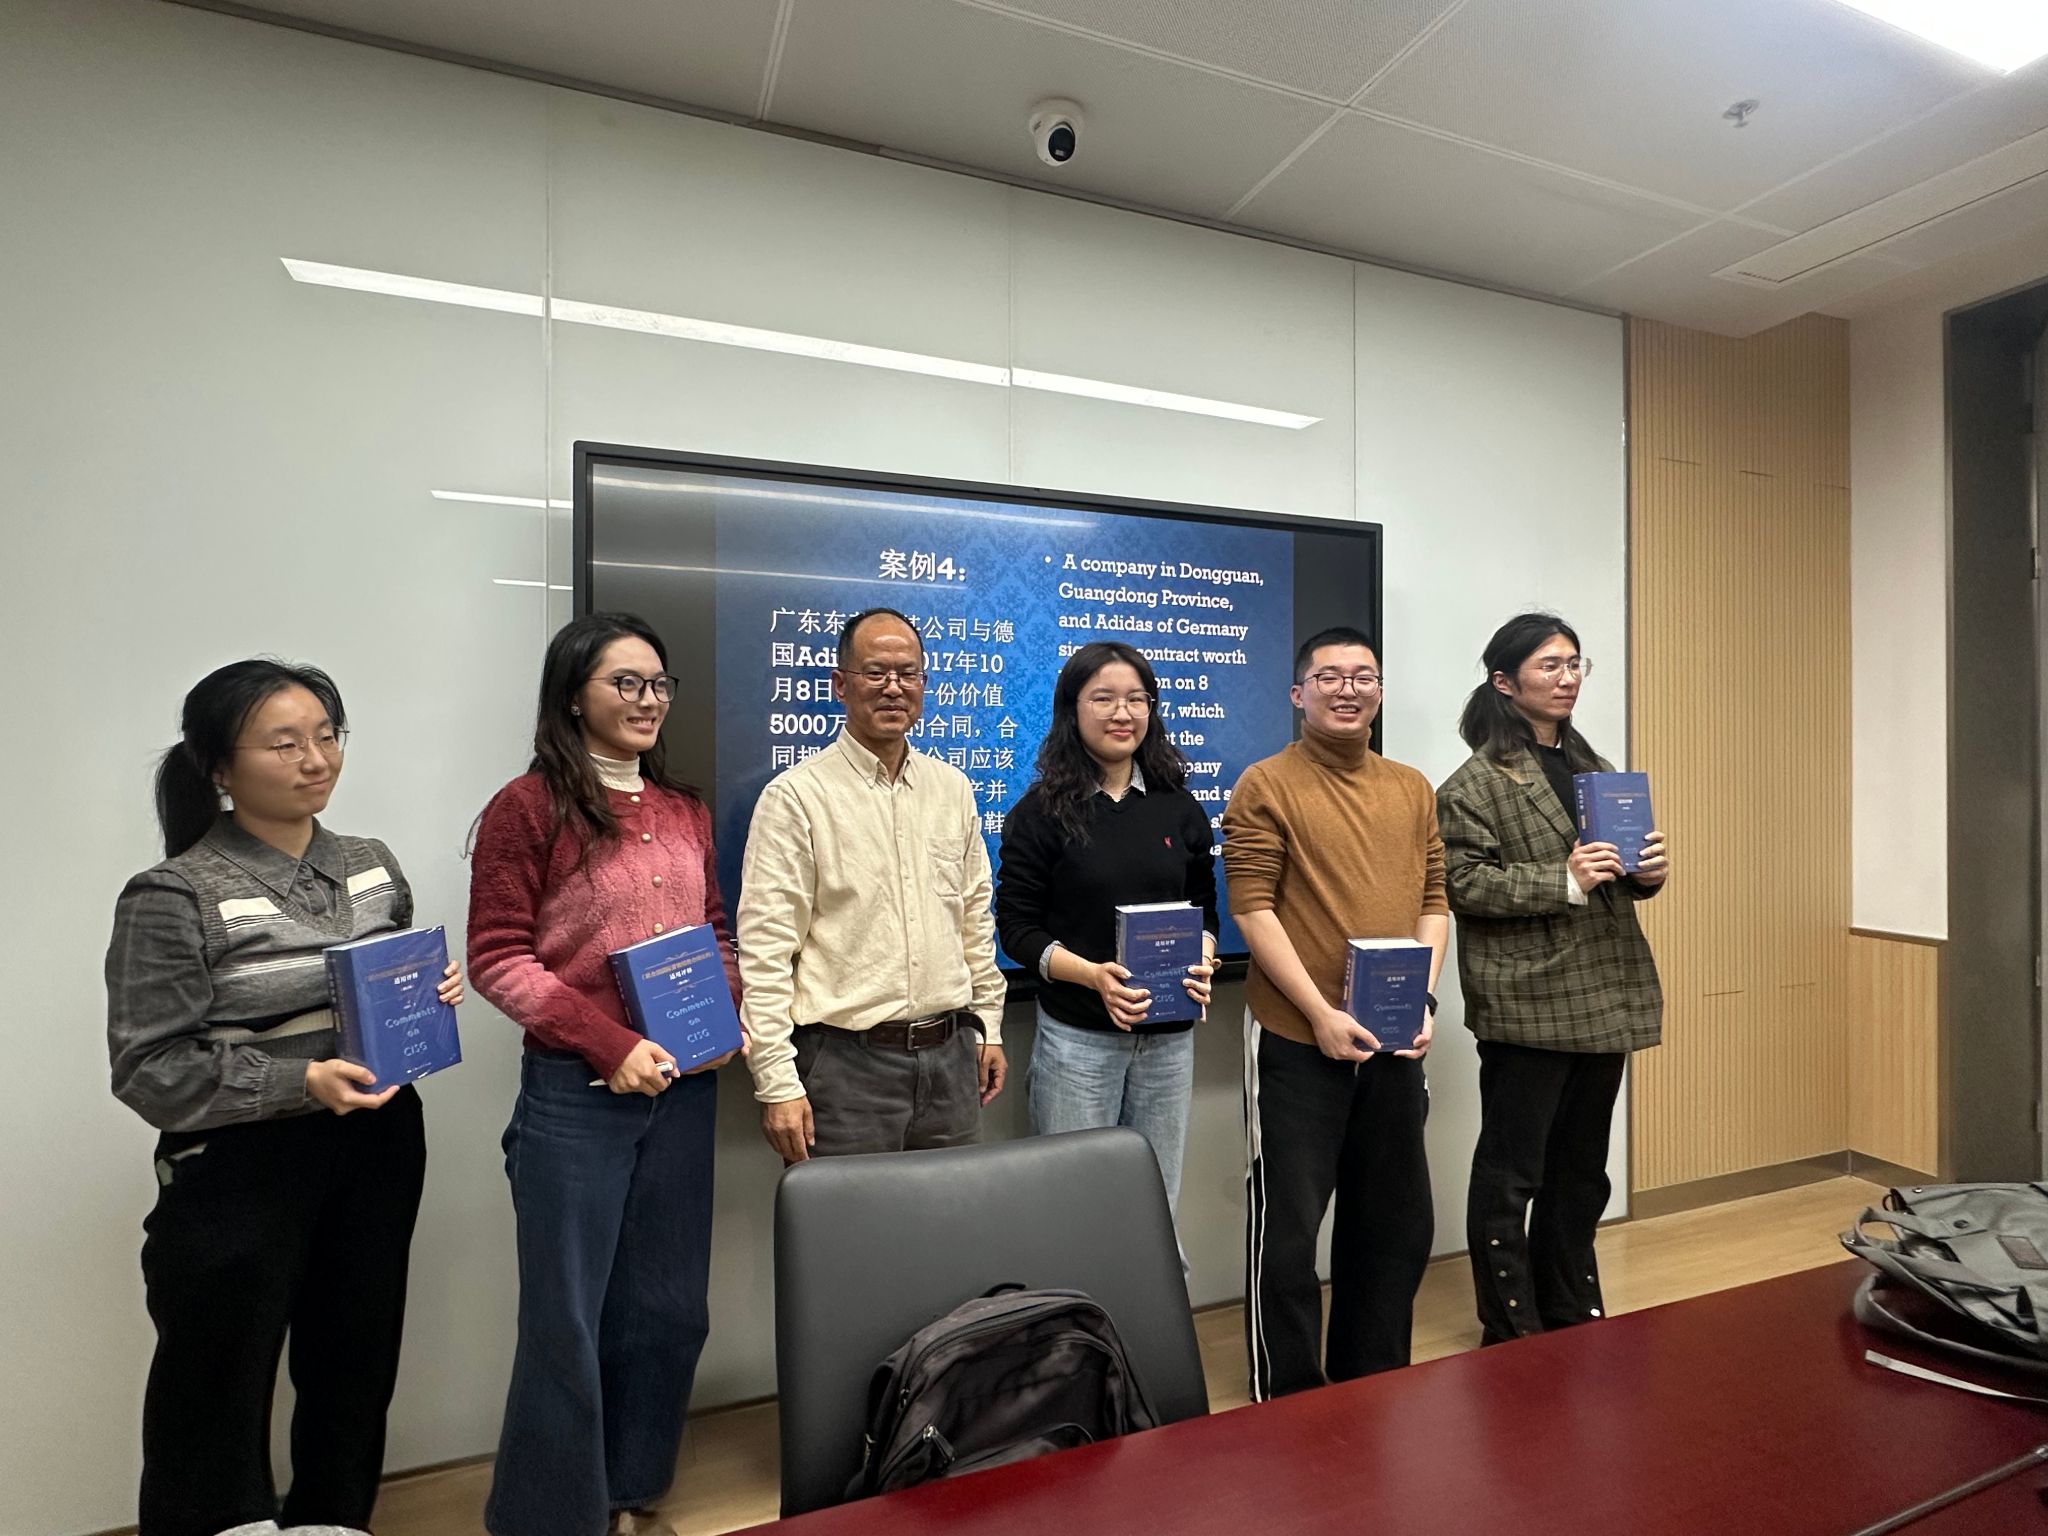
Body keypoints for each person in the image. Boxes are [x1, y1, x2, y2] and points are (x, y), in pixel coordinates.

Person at [105, 658, 463, 1536]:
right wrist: (296, 1080)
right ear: (218, 768)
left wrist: (427, 996)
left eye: (327, 735)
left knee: (354, 1362)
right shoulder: (174, 892)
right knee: (217, 1383)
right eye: (285, 743)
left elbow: (376, 995)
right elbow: (149, 1068)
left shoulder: (372, 865)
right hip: (240, 1163)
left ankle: (334, 1520)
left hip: (377, 1143)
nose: (316, 759)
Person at [467, 612, 742, 1536]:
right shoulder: (527, 807)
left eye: (659, 684)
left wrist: (724, 1012)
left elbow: (716, 931)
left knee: (668, 1310)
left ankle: (630, 1491)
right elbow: (498, 959)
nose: (648, 699)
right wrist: (605, 1043)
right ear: (573, 695)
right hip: (576, 1099)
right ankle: (551, 1517)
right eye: (625, 682)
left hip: (684, 1090)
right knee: (567, 1323)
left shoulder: (682, 810)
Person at [1222, 626, 1447, 1400]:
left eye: (1363, 676)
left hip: (1394, 1043)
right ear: (1299, 694)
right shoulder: (1265, 784)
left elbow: (1435, 903)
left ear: (1379, 692)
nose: (1348, 688)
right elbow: (1251, 908)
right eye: (1329, 676)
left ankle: (1369, 1385)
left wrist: (1422, 1001)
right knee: (1288, 1237)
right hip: (1296, 1040)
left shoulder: (1413, 788)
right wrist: (1319, 1012)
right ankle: (1285, 1399)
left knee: (1394, 1226)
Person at [1436, 613, 1666, 1346]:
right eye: (1549, 665)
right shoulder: (1474, 782)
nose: (1567, 678)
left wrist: (1645, 873)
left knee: (1583, 1172)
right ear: (1505, 682)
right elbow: (1462, 884)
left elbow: (1610, 876)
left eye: (1574, 664)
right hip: (1528, 1001)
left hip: (1605, 991)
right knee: (1512, 1175)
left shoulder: (1597, 770)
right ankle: (1510, 1328)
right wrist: (1561, 879)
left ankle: (1572, 1310)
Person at [738, 606, 1006, 1161]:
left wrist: (991, 1025)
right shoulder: (796, 797)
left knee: (953, 1214)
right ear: (841, 685)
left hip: (952, 1061)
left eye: (908, 674)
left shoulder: (951, 789)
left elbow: (974, 920)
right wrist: (776, 1080)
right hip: (844, 1070)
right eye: (876, 672)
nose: (893, 688)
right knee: (845, 1220)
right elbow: (766, 952)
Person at [995, 642, 1218, 1229]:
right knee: (1075, 1212)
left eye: (1137, 699)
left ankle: (1152, 1295)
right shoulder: (1040, 813)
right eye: (1104, 699)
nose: (1123, 713)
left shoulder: (1178, 807)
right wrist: (1094, 976)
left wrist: (1205, 958)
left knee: (1155, 1206)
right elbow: (1016, 930)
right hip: (1078, 1042)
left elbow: (1205, 911)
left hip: (1168, 1043)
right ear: (1072, 709)